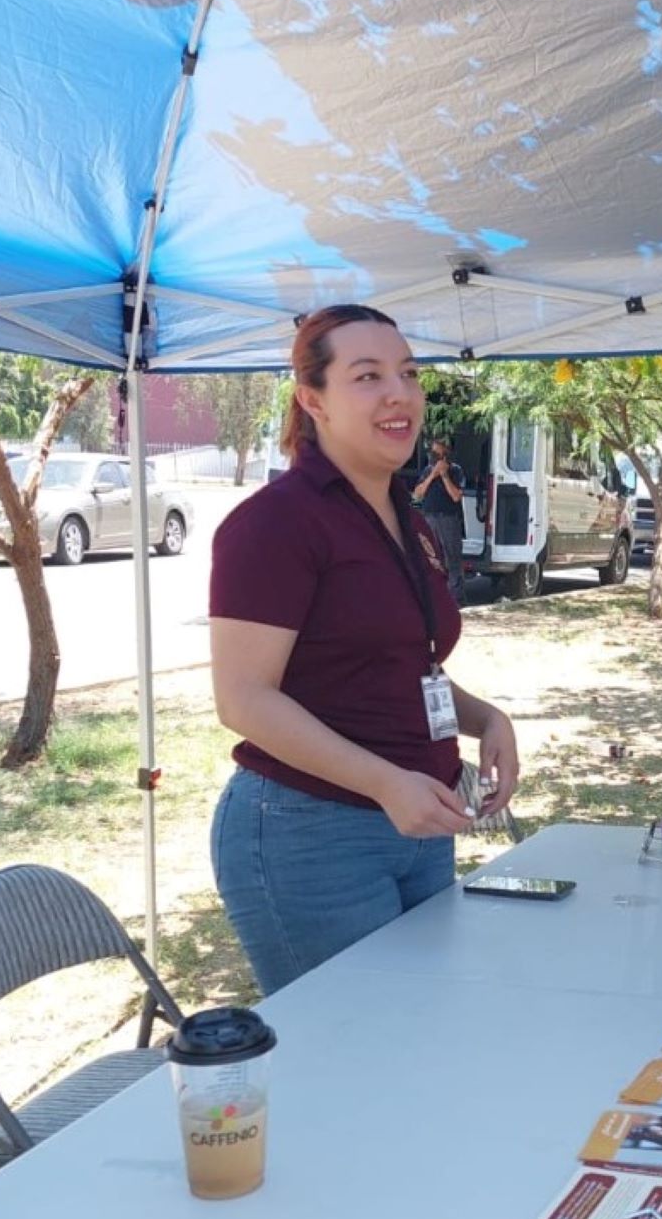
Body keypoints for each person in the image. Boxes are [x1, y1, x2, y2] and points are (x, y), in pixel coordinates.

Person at [206, 305, 519, 995]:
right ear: (312, 399)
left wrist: (487, 718)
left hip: (420, 817)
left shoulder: (404, 514)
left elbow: (408, 663)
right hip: (309, 832)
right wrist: (383, 781)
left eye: (408, 374)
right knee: (352, 1047)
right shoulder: (274, 524)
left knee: (424, 1028)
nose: (398, 394)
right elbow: (243, 698)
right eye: (368, 376)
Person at [413, 436, 467, 600]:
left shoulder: (455, 470)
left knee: (452, 558)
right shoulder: (427, 470)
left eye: (437, 453)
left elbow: (456, 496)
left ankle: (455, 597)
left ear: (445, 454)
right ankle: (436, 596)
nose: (434, 456)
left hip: (448, 518)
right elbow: (417, 494)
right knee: (432, 558)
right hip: (430, 518)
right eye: (432, 452)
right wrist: (432, 475)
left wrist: (444, 475)